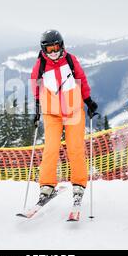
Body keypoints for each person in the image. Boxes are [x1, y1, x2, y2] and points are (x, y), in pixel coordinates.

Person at [31, 30, 98, 207]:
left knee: (75, 148)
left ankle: (79, 184)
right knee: (50, 149)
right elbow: (36, 87)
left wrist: (88, 100)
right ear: (43, 49)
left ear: (62, 46)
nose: (53, 52)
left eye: (56, 47)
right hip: (51, 114)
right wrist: (37, 108)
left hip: (74, 111)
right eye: (49, 49)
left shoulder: (70, 60)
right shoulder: (40, 65)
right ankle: (47, 185)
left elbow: (81, 79)